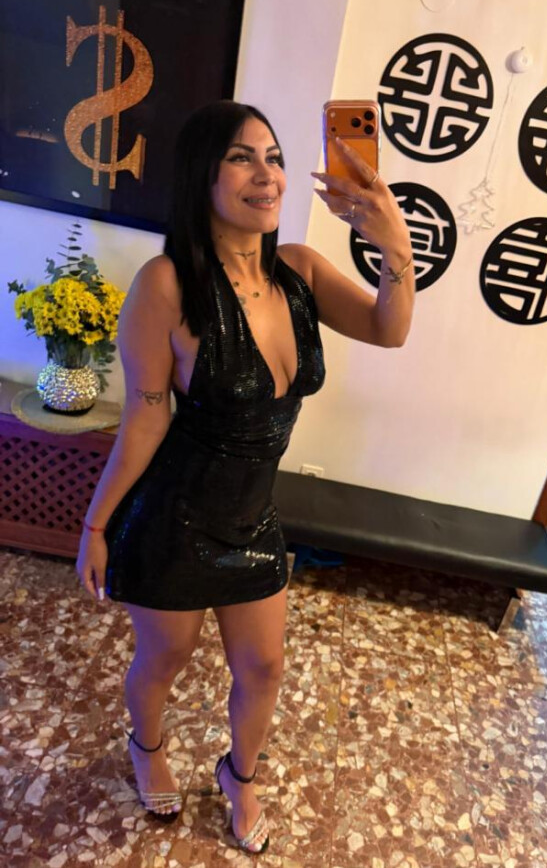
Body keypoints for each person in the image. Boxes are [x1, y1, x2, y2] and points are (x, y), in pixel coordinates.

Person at [76, 100, 415, 854]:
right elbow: (145, 419)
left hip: (253, 517)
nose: (267, 175)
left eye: (274, 157)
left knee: (264, 666)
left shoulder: (300, 270)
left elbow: (390, 328)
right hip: (173, 518)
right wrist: (97, 525)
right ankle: (147, 746)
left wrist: (395, 244)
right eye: (241, 157)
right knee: (164, 657)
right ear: (202, 176)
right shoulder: (167, 284)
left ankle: (240, 775)